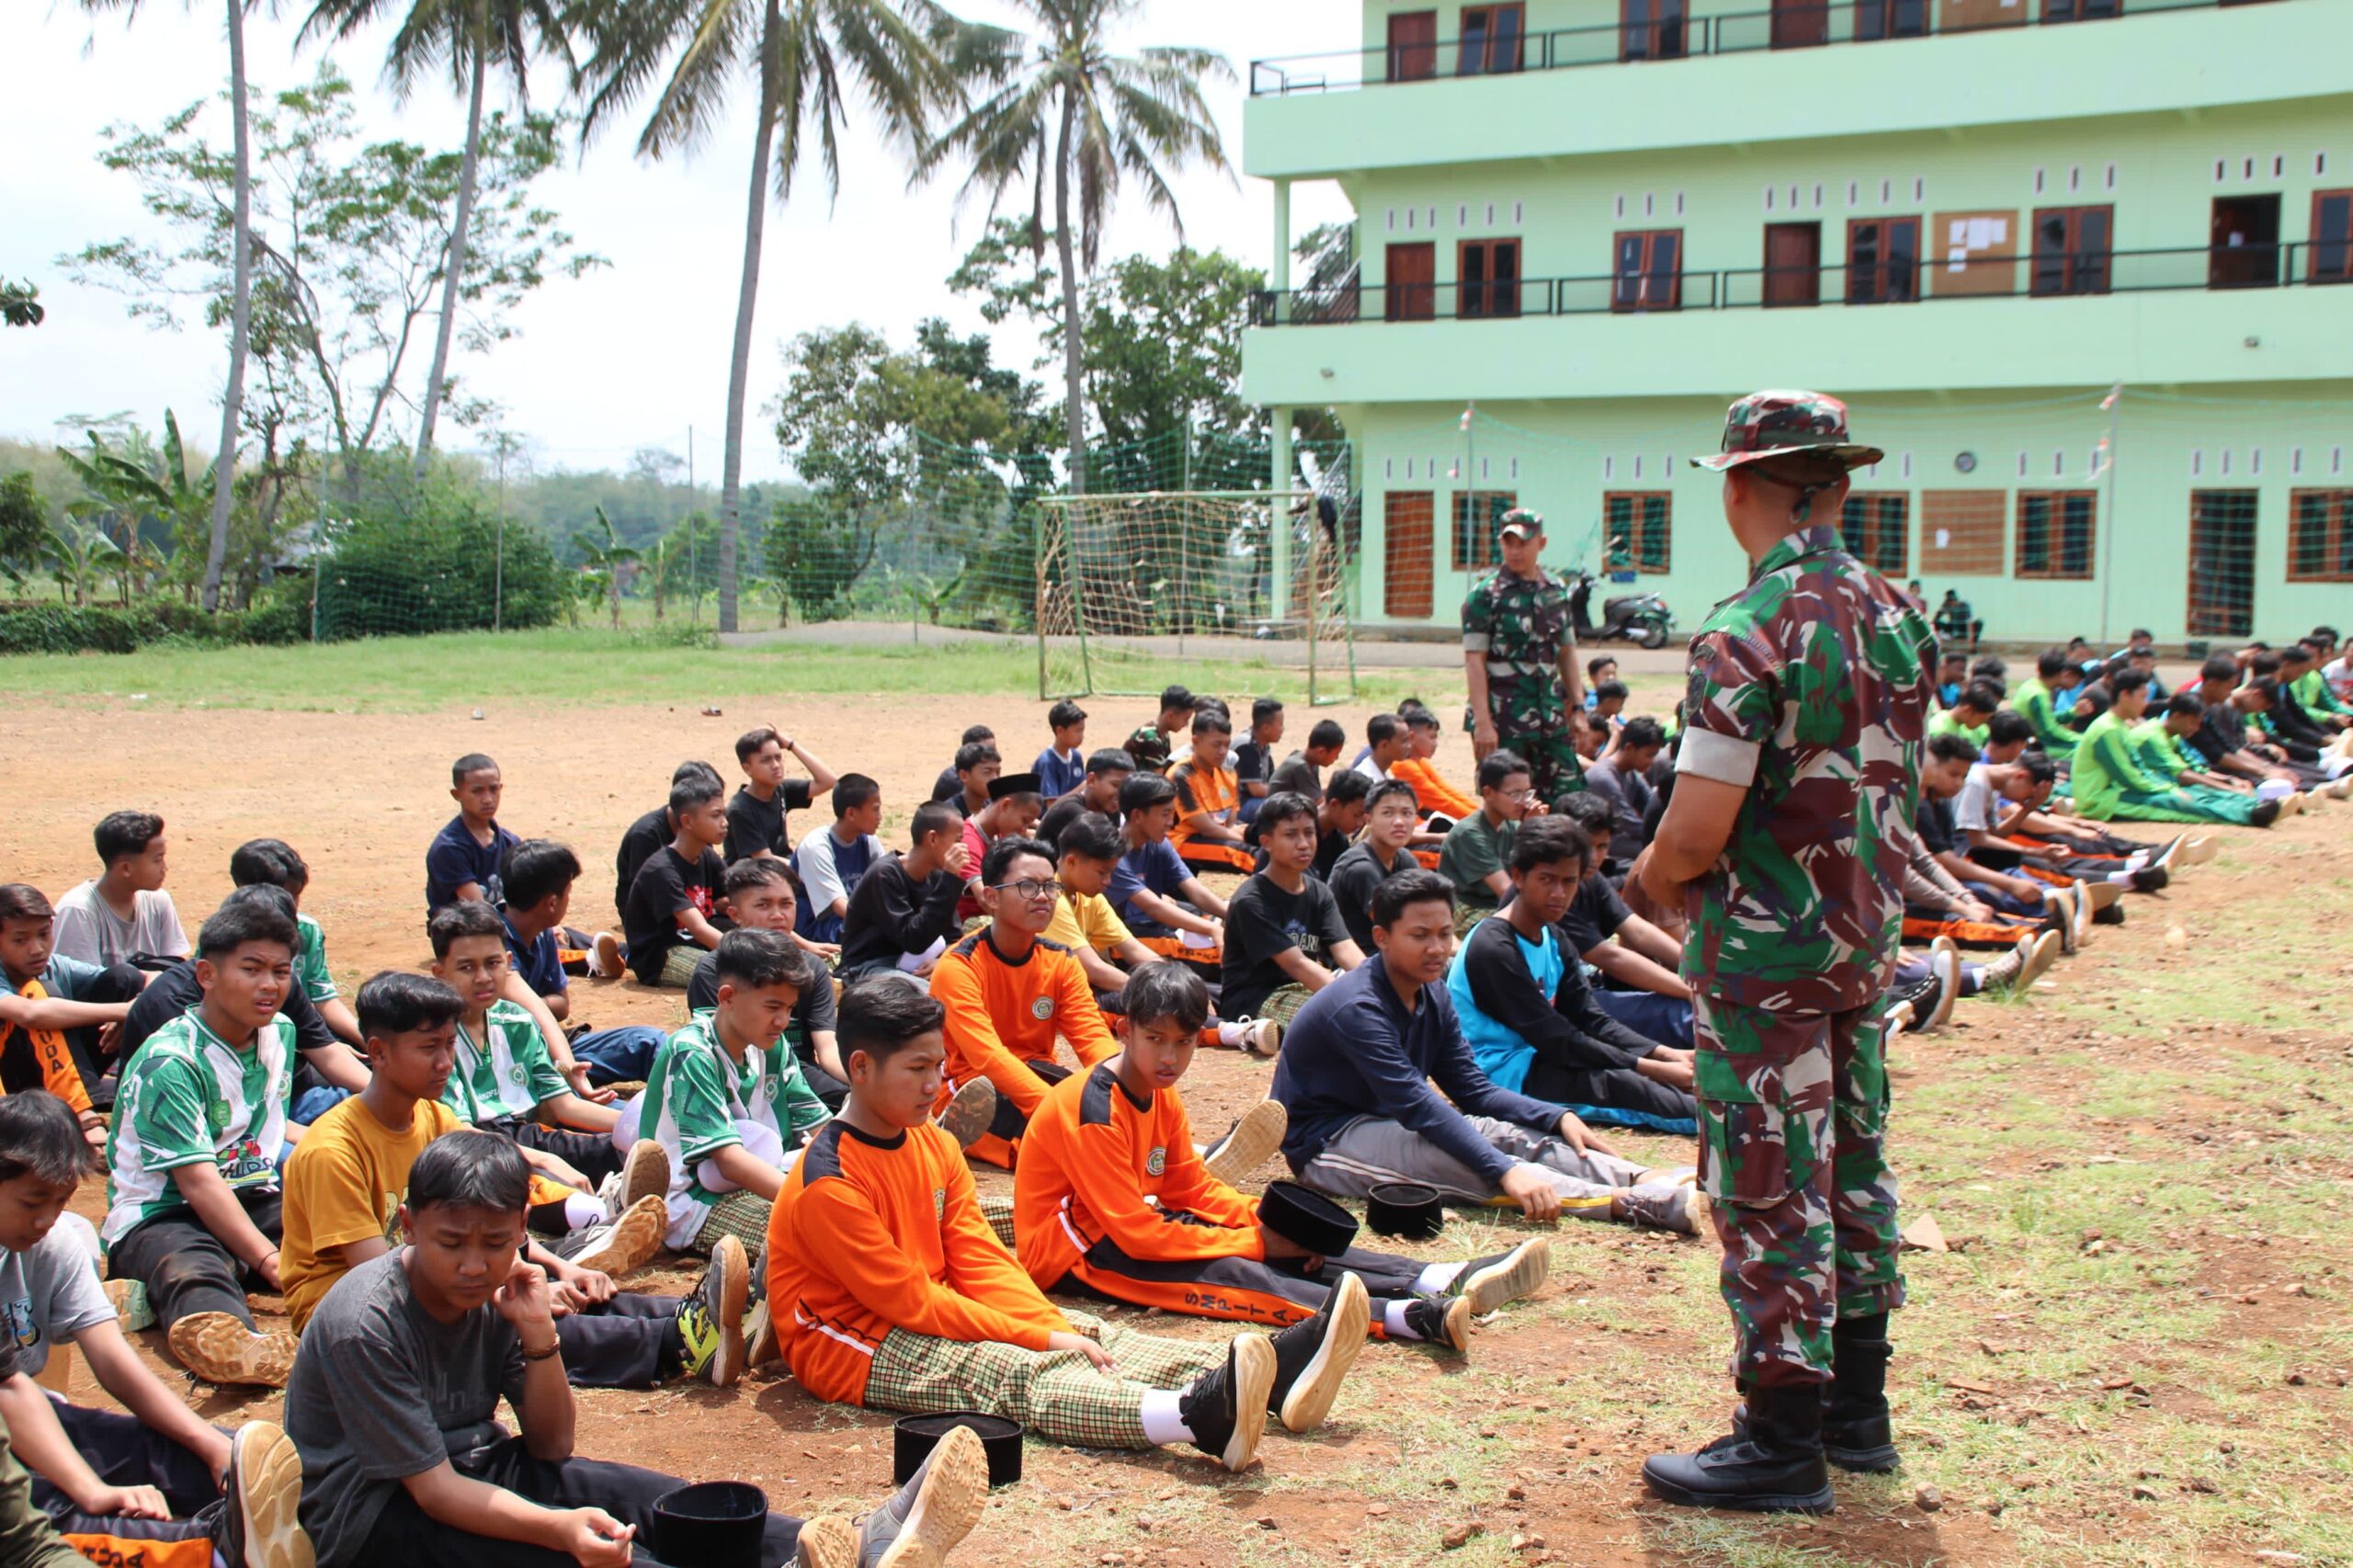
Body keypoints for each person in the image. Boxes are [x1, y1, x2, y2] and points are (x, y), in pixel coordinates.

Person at [1637, 390, 1931, 1510]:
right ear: (1840, 486)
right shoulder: (1900, 613)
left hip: (1764, 959)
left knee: (1768, 1185)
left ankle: (1778, 1437)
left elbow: (1699, 827)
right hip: (1861, 943)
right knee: (1853, 1164)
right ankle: (1858, 1412)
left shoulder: (1746, 629)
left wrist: (1654, 883)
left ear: (1736, 488)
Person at [285, 1131, 983, 1568]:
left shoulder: (501, 1290)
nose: (474, 1264)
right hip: (375, 1519)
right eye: (451, 1243)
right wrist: (558, 1529)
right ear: (408, 1227)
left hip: (472, 1470)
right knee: (598, 1555)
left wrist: (537, 1338)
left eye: (495, 1244)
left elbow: (552, 1449)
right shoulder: (364, 1321)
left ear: (522, 1229)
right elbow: (433, 1494)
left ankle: (841, 1548)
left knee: (636, 1494)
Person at [767, 978, 1362, 1473]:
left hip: (927, 1303)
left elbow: (979, 1256)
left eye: (939, 1066)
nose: (933, 1086)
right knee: (1004, 1371)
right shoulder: (830, 1182)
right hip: (850, 1341)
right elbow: (911, 1303)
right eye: (917, 1068)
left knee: (1091, 1331)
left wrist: (1048, 1323)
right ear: (861, 1067)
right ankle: (1195, 1417)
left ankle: (1272, 1380)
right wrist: (1041, 1341)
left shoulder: (931, 1142)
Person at [1014, 961, 1552, 1354]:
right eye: (1155, 1039)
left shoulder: (1161, 1094)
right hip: (1077, 1252)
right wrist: (1258, 1241)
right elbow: (1133, 1234)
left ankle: (1435, 1276)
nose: (1170, 1056)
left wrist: (1269, 1223)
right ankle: (1404, 1316)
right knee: (1231, 1266)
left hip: (1125, 1225)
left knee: (1285, 1244)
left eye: (1183, 1042)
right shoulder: (1093, 1110)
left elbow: (1190, 1189)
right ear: (1124, 1030)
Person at [279, 974, 737, 1392]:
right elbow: (382, 1279)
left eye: (449, 1045)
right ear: (377, 1052)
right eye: (428, 1048)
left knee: (547, 1288)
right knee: (515, 1318)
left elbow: (480, 1233)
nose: (444, 1063)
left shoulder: (431, 1116)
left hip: (438, 1270)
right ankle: (680, 1340)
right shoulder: (332, 1151)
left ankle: (696, 1314)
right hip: (356, 1319)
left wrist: (557, 1269)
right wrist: (504, 1284)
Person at [1269, 870, 1697, 1232]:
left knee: (1499, 1133)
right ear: (1381, 937)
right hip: (1328, 1143)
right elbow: (1418, 1105)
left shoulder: (1432, 992)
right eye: (1419, 936)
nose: (1437, 949)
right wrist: (1505, 1170)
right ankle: (1625, 1201)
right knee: (1463, 1160)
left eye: (1443, 934)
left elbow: (1472, 1089)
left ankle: (1643, 1177)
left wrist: (1554, 1115)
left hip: (1391, 1121)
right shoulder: (1358, 1007)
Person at [0, 1089, 310, 1568]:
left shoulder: (53, 1243)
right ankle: (213, 1547)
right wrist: (91, 1488)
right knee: (68, 1510)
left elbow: (113, 1362)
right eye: (32, 1201)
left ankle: (276, 1520)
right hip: (10, 1438)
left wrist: (205, 1442)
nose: (46, 1219)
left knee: (216, 1458)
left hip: (35, 1415)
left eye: (61, 1202)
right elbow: (8, 1392)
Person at [102, 897, 306, 1388]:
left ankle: (153, 1293)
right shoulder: (171, 1061)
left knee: (332, 1226)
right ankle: (238, 1346)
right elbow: (197, 1183)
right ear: (206, 975)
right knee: (194, 1269)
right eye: (251, 969)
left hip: (249, 1194)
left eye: (281, 971)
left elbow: (270, 1129)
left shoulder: (279, 1032)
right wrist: (267, 1258)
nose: (269, 985)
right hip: (162, 1214)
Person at [1447, 818, 1696, 1135]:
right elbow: (1558, 1039)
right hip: (1502, 1077)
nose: (1559, 893)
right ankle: (1727, 1126)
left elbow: (1592, 1018)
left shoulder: (1552, 936)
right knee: (1633, 1088)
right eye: (1547, 879)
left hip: (1543, 1058)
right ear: (1519, 877)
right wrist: (1653, 1068)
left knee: (1664, 1075)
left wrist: (1664, 1053)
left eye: (1569, 882)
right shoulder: (1494, 948)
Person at [622, 929, 828, 1256]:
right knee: (814, 1239)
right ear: (727, 997)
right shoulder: (694, 1052)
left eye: (790, 1009)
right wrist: (815, 1198)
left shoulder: (773, 1047)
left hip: (763, 1176)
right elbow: (729, 1162)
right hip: (695, 1198)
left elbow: (822, 1127)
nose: (782, 1021)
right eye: (773, 1006)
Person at [930, 839, 1119, 1169]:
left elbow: (1092, 1037)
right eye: (1028, 886)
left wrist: (1119, 1087)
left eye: (1050, 886)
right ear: (991, 897)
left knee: (1107, 1117)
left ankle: (1184, 1160)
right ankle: (949, 1133)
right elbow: (987, 1057)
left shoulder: (1060, 960)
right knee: (1054, 1148)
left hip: (1036, 1073)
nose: (1043, 896)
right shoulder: (958, 966)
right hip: (972, 1089)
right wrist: (1054, 1110)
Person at [427, 902, 626, 1188]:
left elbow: (566, 1105)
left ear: (508, 962)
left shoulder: (518, 1021)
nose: (483, 977)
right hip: (475, 1150)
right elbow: (460, 1133)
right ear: (440, 972)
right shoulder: (435, 1039)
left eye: (492, 963)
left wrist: (639, 1126)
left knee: (627, 1145)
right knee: (541, 1185)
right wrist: (544, 1160)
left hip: (528, 1134)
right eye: (467, 967)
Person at [495, 840, 665, 1088]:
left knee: (649, 1042)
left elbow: (561, 1006)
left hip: (549, 1042)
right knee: (605, 1113)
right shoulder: (489, 939)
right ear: (552, 903)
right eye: (568, 892)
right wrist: (534, 1010)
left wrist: (525, 1009)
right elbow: (537, 1006)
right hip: (512, 1061)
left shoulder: (542, 933)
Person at [683, 859, 852, 1107]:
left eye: (786, 904)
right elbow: (720, 1053)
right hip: (741, 1080)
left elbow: (826, 1048)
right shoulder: (714, 972)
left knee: (854, 1103)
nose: (778, 915)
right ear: (735, 915)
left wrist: (864, 1086)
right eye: (763, 905)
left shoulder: (811, 967)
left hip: (800, 1072)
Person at [1462, 508, 1585, 801]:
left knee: (1568, 799)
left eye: (1523, 543)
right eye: (1509, 543)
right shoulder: (1485, 596)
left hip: (1550, 717)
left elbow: (1567, 653)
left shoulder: (1556, 592)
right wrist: (1483, 724)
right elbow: (1474, 661)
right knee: (1507, 805)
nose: (1515, 551)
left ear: (1541, 543)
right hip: (1503, 722)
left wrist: (1579, 707)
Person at [0, 885, 137, 1144]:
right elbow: (31, 1014)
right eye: (20, 940)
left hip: (52, 1072)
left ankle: (133, 1094)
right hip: (8, 1082)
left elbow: (148, 978)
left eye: (44, 934)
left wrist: (135, 1005)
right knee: (40, 994)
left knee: (124, 978)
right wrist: (124, 1011)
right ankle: (83, 1115)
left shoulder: (53, 964)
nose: (37, 949)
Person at [1220, 794, 1364, 1034]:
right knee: (1343, 1016)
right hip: (1257, 997)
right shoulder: (1252, 901)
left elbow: (1346, 949)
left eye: (1309, 832)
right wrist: (1350, 998)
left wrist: (1376, 985)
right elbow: (1296, 964)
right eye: (1291, 835)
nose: (1304, 843)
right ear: (1266, 842)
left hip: (1303, 988)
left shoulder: (1318, 891)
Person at [2071, 670, 2254, 824]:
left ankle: (2248, 804)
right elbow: (2126, 775)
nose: (2145, 704)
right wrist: (2168, 790)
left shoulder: (2119, 725)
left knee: (2186, 793)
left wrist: (2169, 788)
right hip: (2100, 800)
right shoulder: (2107, 729)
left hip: (2116, 792)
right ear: (2124, 695)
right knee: (2173, 804)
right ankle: (2248, 815)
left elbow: (2138, 768)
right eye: (2142, 697)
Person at [838, 801, 974, 983]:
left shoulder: (937, 877)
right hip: (870, 965)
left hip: (916, 966)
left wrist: (942, 960)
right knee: (926, 998)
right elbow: (913, 940)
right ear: (932, 838)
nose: (963, 848)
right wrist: (949, 880)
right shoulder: (885, 875)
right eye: (957, 840)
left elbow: (953, 937)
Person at [621, 770, 730, 988]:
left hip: (696, 943)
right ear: (688, 821)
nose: (725, 823)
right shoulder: (662, 869)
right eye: (715, 815)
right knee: (732, 976)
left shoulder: (706, 856)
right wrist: (751, 955)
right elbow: (698, 928)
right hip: (662, 955)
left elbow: (744, 897)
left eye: (724, 814)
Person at [1109, 774, 1229, 964]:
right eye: (1165, 814)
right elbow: (1154, 908)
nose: (1171, 822)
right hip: (1130, 936)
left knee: (1225, 920)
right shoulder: (1113, 854)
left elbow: (1195, 890)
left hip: (1158, 925)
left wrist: (1231, 914)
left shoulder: (1158, 844)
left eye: (1172, 813)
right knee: (1218, 956)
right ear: (1138, 816)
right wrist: (1211, 929)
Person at [51, 810, 188, 971]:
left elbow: (177, 966)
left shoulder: (158, 901)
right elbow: (81, 985)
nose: (165, 868)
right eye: (157, 859)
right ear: (125, 868)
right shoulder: (80, 911)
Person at [612, 761, 722, 924]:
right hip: (658, 919)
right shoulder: (646, 835)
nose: (723, 821)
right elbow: (648, 895)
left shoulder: (701, 834)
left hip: (694, 905)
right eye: (714, 813)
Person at [1436, 751, 1537, 919]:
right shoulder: (1470, 833)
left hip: (1496, 904)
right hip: (1466, 909)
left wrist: (1536, 830)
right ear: (1488, 793)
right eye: (1516, 794)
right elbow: (1506, 890)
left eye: (1527, 793)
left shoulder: (1512, 825)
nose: (1524, 802)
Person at [1326, 779, 1422, 952]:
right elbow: (1393, 927)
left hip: (1395, 949)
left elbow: (1425, 910)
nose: (1399, 822)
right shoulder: (1360, 868)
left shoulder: (1404, 858)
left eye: (1407, 813)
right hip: (1360, 960)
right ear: (1368, 819)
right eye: (1388, 813)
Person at [723, 725, 837, 867]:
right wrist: (806, 870)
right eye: (766, 760)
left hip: (780, 868)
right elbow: (764, 858)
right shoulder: (740, 809)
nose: (776, 765)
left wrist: (791, 745)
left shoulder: (780, 789)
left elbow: (829, 781)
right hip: (754, 878)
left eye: (778, 757)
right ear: (747, 769)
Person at [425, 756, 520, 915]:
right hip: (464, 933)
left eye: (494, 789)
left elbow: (530, 895)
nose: (488, 799)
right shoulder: (449, 849)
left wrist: (550, 929)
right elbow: (480, 912)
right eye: (477, 791)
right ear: (457, 794)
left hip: (503, 925)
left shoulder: (510, 842)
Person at [1168, 710, 1256, 875]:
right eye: (1216, 745)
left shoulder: (1229, 773)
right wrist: (1245, 839)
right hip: (1181, 841)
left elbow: (1229, 823)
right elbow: (1207, 829)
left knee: (1268, 838)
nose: (1223, 751)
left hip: (1212, 834)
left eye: (1226, 744)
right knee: (1249, 855)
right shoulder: (1182, 775)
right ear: (1196, 742)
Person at [954, 773, 1045, 922]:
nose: (1024, 829)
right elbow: (985, 900)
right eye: (1025, 820)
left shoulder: (1000, 835)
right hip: (970, 924)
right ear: (1006, 805)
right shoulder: (967, 841)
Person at [1582, 718, 1663, 869]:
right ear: (1630, 748)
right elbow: (1631, 825)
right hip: (1604, 842)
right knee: (1659, 852)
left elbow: (1651, 804)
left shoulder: (1630, 773)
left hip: (1621, 838)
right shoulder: (1603, 778)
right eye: (1648, 755)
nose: (1651, 762)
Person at [1036, 748, 1132, 855]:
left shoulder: (1110, 809)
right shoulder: (1071, 810)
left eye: (1127, 786)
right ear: (1091, 780)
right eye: (1116, 785)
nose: (1123, 792)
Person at [1123, 685, 1198, 776]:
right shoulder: (1151, 739)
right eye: (1185, 719)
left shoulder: (1163, 734)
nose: (1186, 724)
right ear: (1171, 716)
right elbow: (1158, 782)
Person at [1232, 698, 1286, 823]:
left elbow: (1272, 781)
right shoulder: (1246, 746)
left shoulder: (1262, 744)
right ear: (1266, 728)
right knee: (1281, 810)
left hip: (1250, 800)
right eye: (1281, 724)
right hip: (1238, 804)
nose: (1283, 729)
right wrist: (1289, 791)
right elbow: (1256, 790)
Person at [1270, 720, 1346, 802]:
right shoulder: (1300, 767)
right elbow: (1319, 803)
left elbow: (1317, 794)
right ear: (1321, 752)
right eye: (1336, 754)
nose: (1337, 758)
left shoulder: (1309, 761)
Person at [1035, 699, 1089, 800]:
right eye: (1077, 731)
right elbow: (1052, 806)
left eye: (1082, 730)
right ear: (1060, 730)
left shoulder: (1076, 756)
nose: (1082, 736)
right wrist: (1084, 786)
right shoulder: (1047, 762)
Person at [931, 724, 996, 805]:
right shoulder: (955, 780)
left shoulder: (985, 773)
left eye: (993, 750)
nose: (991, 754)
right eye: (983, 750)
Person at [1928, 681, 2000, 750]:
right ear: (1968, 710)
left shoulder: (1960, 724)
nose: (1981, 725)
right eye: (1981, 720)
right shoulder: (1940, 731)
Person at [1351, 714, 1409, 782]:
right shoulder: (1365, 780)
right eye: (1404, 741)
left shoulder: (1386, 771)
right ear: (1384, 745)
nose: (1409, 746)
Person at [1933, 587, 1981, 651]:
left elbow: (1970, 622)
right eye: (1950, 601)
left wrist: (1971, 641)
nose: (1952, 602)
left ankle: (1974, 644)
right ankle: (1941, 640)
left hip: (1963, 627)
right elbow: (1936, 619)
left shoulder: (1965, 605)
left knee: (1979, 622)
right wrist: (1942, 608)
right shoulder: (1946, 605)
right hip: (1952, 627)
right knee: (1937, 622)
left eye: (1953, 600)